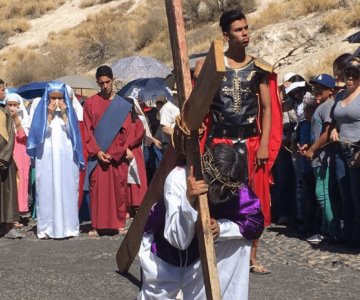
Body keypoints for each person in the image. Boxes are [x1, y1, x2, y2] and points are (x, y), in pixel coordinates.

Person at [193, 9, 282, 274]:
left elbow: (267, 109)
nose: (245, 34)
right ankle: (215, 250)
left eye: (246, 28)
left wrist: (264, 143)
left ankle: (252, 255)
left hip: (251, 143)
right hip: (220, 142)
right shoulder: (212, 66)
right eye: (238, 30)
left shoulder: (259, 68)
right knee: (218, 197)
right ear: (225, 35)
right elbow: (199, 103)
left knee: (255, 199)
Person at [138, 143, 263, 300]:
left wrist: (222, 229)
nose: (221, 193)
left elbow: (255, 221)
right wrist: (188, 200)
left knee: (240, 240)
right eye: (218, 187)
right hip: (165, 252)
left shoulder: (232, 183)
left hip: (198, 257)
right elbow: (179, 241)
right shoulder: (177, 179)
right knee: (158, 295)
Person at [83, 65, 144, 236]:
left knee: (119, 190)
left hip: (117, 156)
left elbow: (129, 132)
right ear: (97, 83)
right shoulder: (90, 104)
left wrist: (116, 152)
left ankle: (118, 224)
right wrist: (97, 152)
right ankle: (96, 225)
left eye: (107, 82)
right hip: (98, 156)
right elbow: (87, 131)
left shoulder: (122, 105)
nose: (104, 86)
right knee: (97, 192)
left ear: (113, 80)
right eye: (101, 83)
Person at [27, 82, 84, 239]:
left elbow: (75, 137)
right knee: (46, 188)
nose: (57, 102)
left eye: (60, 98)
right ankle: (47, 228)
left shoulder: (69, 114)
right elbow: (37, 137)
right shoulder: (41, 114)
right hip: (46, 158)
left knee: (68, 188)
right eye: (53, 98)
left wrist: (65, 113)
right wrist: (50, 115)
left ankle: (69, 227)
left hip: (66, 159)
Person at [303, 74, 339, 243]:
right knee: (322, 194)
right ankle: (325, 230)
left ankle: (332, 232)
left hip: (325, 157)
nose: (316, 90)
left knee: (322, 194)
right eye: (315, 87)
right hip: (319, 157)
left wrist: (312, 149)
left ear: (330, 91)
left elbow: (326, 133)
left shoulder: (329, 106)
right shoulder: (322, 106)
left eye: (321, 88)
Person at [328, 56, 360, 246]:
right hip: (341, 149)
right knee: (344, 193)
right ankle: (347, 233)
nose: (350, 78)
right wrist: (333, 128)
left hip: (356, 149)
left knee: (357, 195)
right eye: (347, 73)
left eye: (355, 75)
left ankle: (357, 235)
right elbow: (334, 118)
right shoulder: (340, 96)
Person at [5, 93, 31, 224]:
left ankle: (17, 213)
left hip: (21, 151)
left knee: (20, 181)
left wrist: (16, 119)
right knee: (9, 182)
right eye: (10, 105)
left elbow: (23, 136)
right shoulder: (3, 117)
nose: (12, 107)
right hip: (8, 152)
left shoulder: (25, 119)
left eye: (15, 105)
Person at [0, 103, 20, 237]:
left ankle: (8, 227)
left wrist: (3, 157)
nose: (4, 92)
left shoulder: (4, 110)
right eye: (2, 90)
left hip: (5, 158)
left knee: (8, 191)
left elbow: (11, 135)